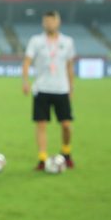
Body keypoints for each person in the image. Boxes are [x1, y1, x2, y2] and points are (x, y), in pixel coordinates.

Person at [21, 11, 76, 170]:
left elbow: (69, 66)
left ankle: (66, 152)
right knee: (41, 125)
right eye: (46, 21)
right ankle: (42, 158)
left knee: (66, 125)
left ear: (58, 22)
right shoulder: (36, 41)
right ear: (43, 23)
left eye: (52, 21)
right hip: (42, 89)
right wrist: (25, 81)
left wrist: (72, 87)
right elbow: (27, 62)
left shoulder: (68, 41)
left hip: (61, 89)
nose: (49, 24)